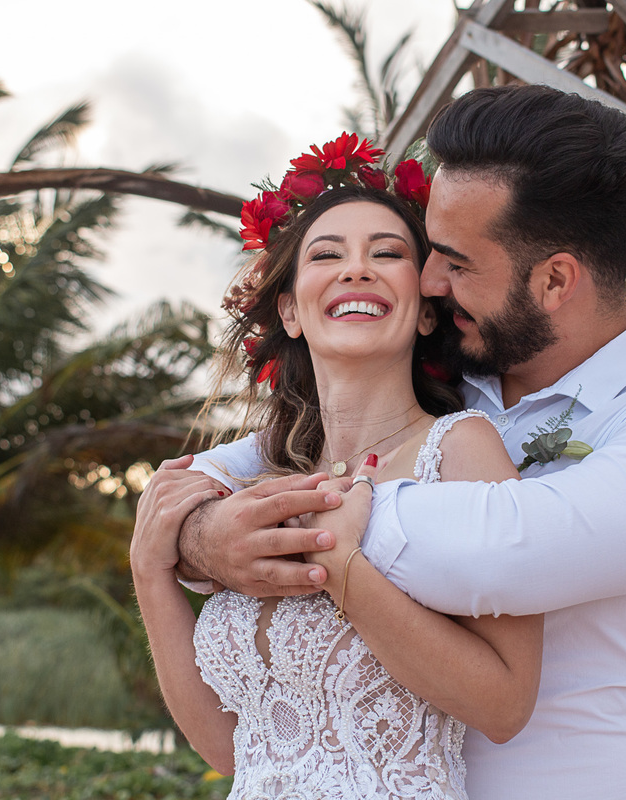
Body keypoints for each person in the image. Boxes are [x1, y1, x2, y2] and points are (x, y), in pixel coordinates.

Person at [166, 86, 626, 799]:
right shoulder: (443, 379)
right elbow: (212, 477)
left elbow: (509, 545)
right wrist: (199, 533)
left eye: (455, 262)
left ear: (555, 280)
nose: (428, 280)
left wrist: (295, 522)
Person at [130, 135, 542, 800]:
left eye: (387, 254)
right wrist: (150, 571)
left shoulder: (461, 450)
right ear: (291, 311)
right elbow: (231, 750)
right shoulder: (260, 478)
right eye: (327, 255)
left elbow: (505, 706)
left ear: (426, 309)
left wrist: (343, 568)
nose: (357, 270)